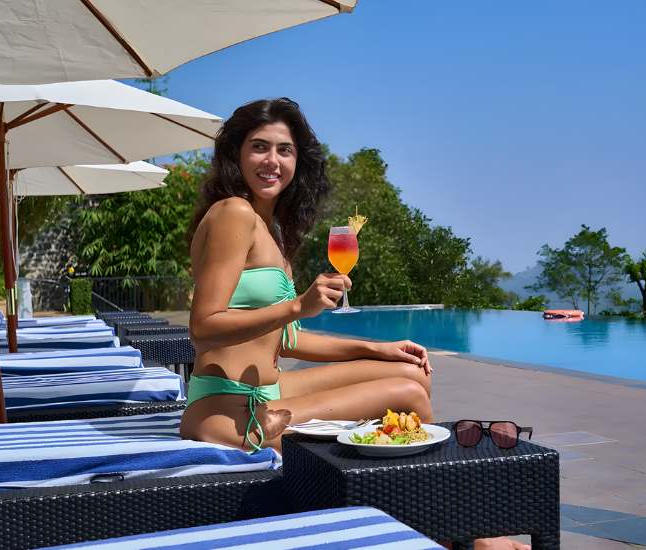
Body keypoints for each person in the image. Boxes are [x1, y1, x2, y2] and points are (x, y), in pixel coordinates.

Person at [180, 98, 529, 550]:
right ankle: (462, 533)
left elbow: (284, 340)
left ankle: (441, 523)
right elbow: (204, 326)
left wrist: (376, 348)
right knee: (406, 395)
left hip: (266, 393)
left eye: (285, 150)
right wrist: (296, 306)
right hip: (230, 413)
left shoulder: (270, 229)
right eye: (259, 147)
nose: (272, 161)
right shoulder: (235, 212)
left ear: (299, 161)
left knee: (409, 372)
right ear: (236, 154)